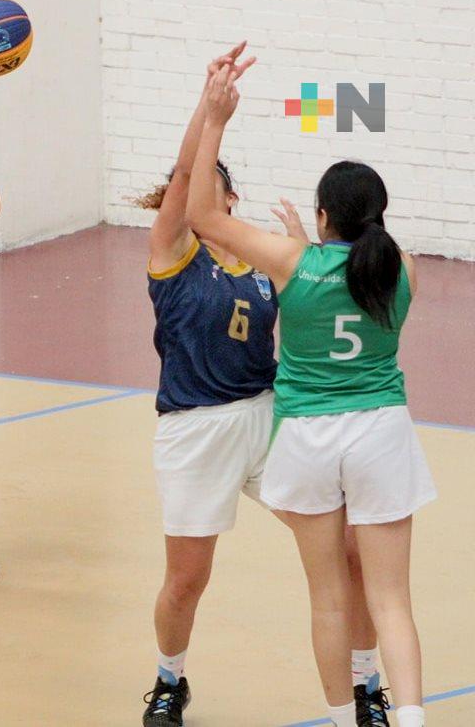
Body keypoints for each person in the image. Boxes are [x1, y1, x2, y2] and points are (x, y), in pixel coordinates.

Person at [139, 43, 393, 727]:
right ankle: (170, 681)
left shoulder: (265, 261)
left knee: (346, 552)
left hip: (268, 417)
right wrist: (209, 102)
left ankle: (367, 684)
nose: (189, 185)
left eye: (204, 180)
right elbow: (189, 171)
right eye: (183, 182)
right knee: (187, 578)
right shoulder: (172, 252)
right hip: (193, 427)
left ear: (231, 195)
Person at [186, 64, 436, 727]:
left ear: (322, 214)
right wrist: (305, 243)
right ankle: (410, 717)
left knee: (328, 597)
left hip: (307, 438)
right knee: (391, 601)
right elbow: (350, 278)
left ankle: (339, 717)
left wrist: (215, 117)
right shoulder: (403, 268)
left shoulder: (292, 262)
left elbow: (200, 214)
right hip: (380, 431)